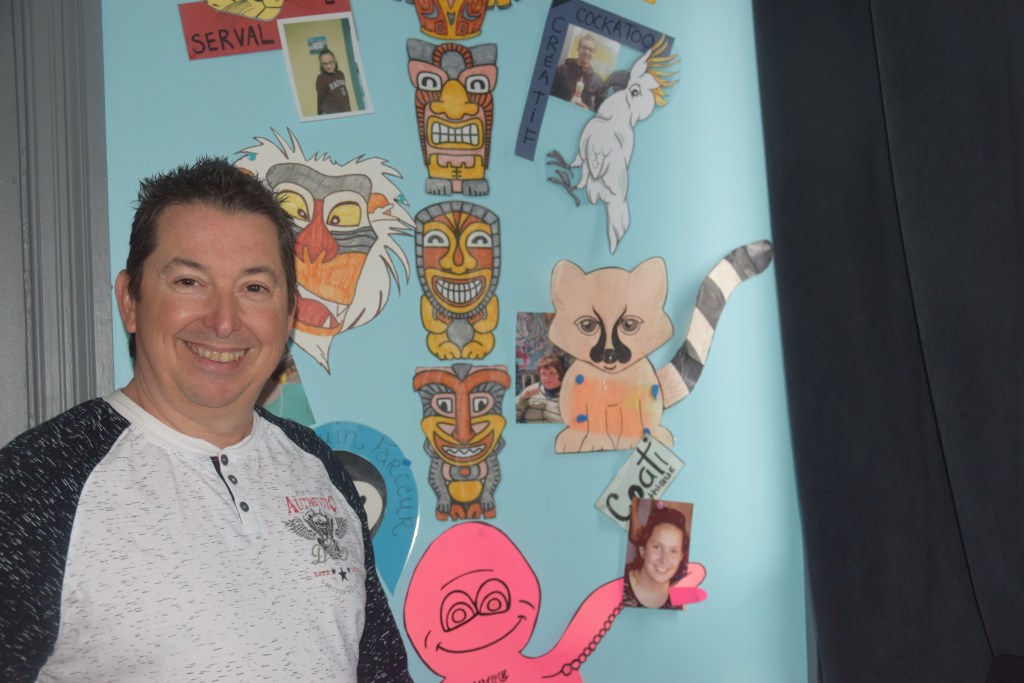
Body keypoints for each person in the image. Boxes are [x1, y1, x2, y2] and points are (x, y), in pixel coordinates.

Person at [0, 158, 410, 681]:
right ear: (130, 300)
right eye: (190, 281)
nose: (222, 321)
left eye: (254, 288)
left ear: (289, 315)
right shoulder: (33, 483)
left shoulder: (319, 467)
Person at [622, 502, 690, 609]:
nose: (664, 560)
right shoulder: (617, 584)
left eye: (673, 551)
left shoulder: (681, 602)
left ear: (681, 557)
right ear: (643, 550)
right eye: (657, 547)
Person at [550, 33, 605, 111]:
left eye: (590, 49)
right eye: (584, 47)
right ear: (578, 49)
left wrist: (588, 111)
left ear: (594, 53)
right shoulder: (561, 70)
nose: (586, 52)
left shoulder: (599, 83)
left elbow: (601, 109)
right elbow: (550, 95)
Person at [515, 353, 565, 423]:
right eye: (543, 374)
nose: (547, 378)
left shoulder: (568, 392)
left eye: (551, 373)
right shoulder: (530, 390)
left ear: (559, 373)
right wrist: (523, 399)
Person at [316, 47, 352, 115]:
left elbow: (344, 94)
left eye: (330, 62)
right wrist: (319, 115)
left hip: (345, 112)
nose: (328, 66)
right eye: (325, 64)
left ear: (335, 60)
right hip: (330, 114)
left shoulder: (340, 74)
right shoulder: (321, 78)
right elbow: (320, 99)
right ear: (321, 65)